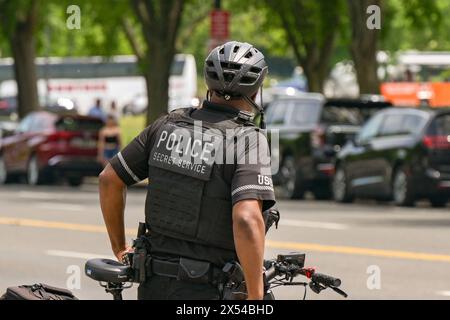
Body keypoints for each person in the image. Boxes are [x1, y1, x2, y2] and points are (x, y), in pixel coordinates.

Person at [98, 41, 275, 300]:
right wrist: (256, 297)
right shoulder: (246, 140)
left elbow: (109, 180)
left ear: (207, 83)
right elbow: (247, 219)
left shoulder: (166, 125)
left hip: (153, 286)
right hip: (208, 290)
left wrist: (120, 248)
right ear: (256, 91)